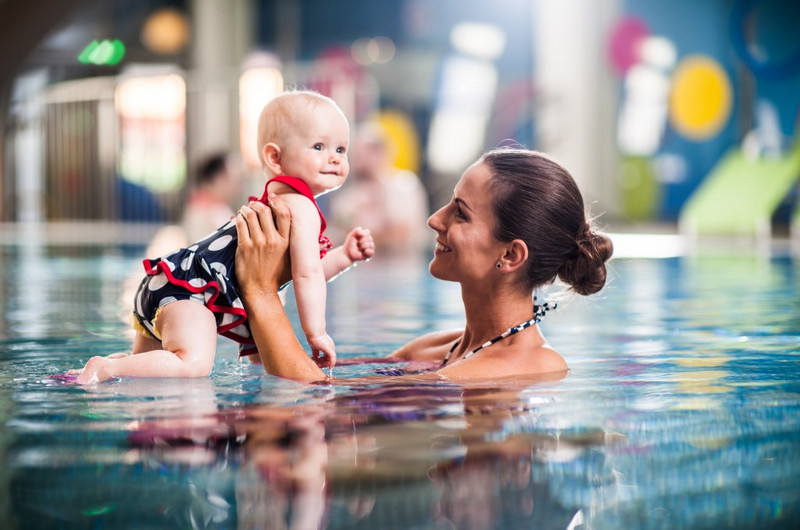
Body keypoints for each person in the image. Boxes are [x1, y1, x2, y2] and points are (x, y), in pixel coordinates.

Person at [234, 147, 613, 382]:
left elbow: (317, 404)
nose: (435, 219)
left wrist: (261, 293)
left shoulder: (534, 365)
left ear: (510, 256)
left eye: (460, 214)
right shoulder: (436, 348)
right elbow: (325, 377)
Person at [73, 90, 375, 384]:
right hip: (191, 295)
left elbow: (301, 271)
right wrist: (316, 333)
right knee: (191, 365)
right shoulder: (302, 207)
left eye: (341, 149)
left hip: (168, 282)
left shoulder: (275, 198)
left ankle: (110, 365)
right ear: (274, 157)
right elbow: (306, 275)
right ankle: (106, 368)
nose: (335, 159)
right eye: (319, 147)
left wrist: (344, 257)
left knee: (148, 372)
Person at [328, 121, 429, 254]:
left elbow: (403, 234)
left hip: (400, 265)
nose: (356, 157)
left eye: (362, 151)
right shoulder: (352, 193)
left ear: (380, 151)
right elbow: (338, 230)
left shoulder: (404, 185)